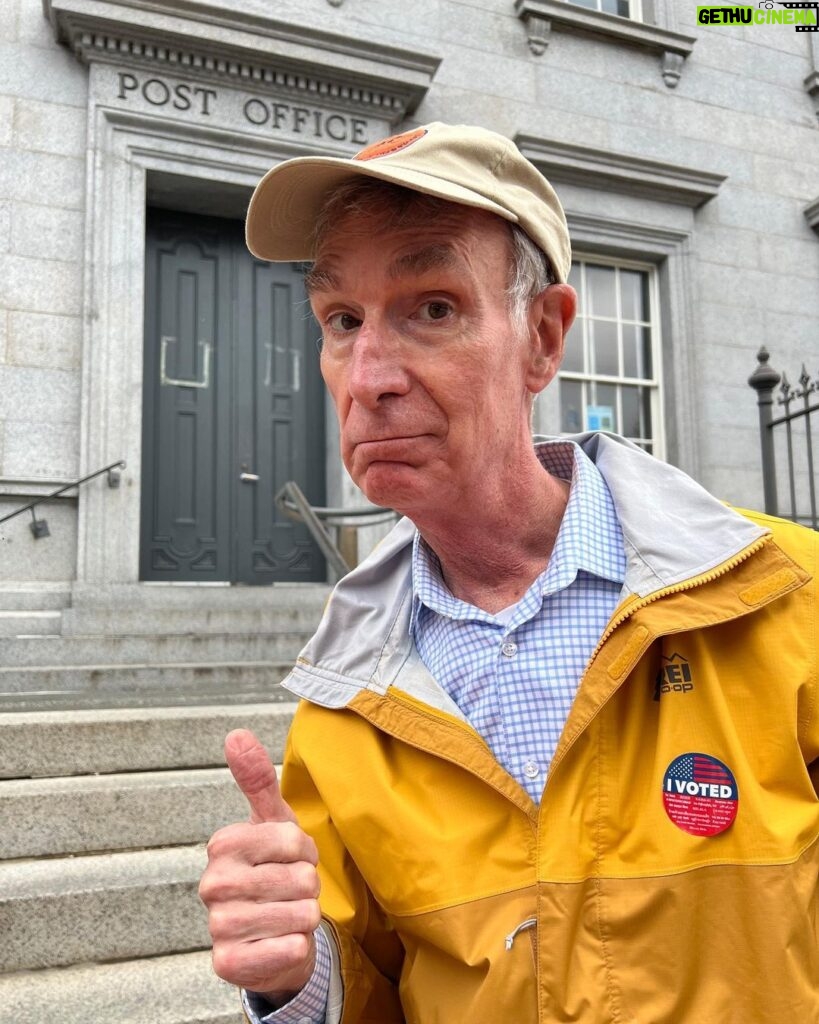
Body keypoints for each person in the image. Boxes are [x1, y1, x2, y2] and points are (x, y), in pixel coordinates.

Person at [199, 122, 819, 1023]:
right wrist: (294, 980)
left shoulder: (784, 598)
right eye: (341, 320)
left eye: (433, 308)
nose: (367, 375)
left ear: (541, 337)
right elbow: (371, 990)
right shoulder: (342, 701)